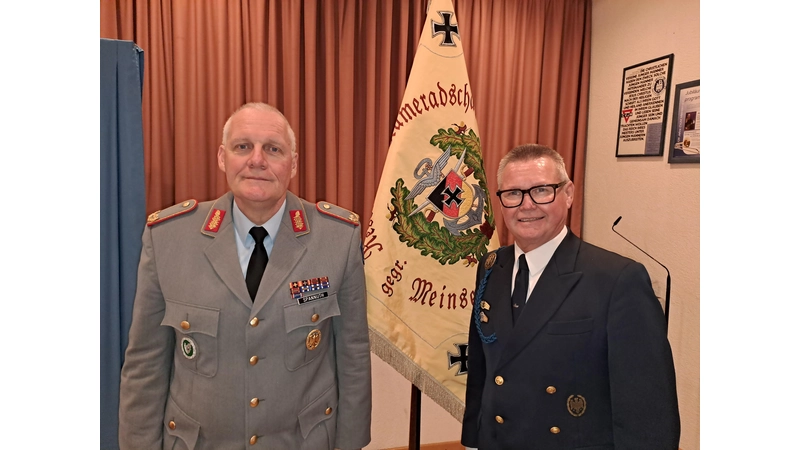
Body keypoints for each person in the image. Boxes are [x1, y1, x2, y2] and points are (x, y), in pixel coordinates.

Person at [119, 102, 372, 449]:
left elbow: (354, 357)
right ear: (222, 158)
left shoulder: (337, 239)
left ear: (293, 164)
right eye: (243, 146)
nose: (257, 160)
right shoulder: (168, 239)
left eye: (273, 149)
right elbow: (145, 363)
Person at [461, 144, 680, 449]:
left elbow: (648, 409)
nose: (526, 205)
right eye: (513, 193)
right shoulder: (491, 267)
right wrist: (473, 440)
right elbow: (483, 369)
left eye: (541, 190)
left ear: (568, 194)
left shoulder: (617, 280)